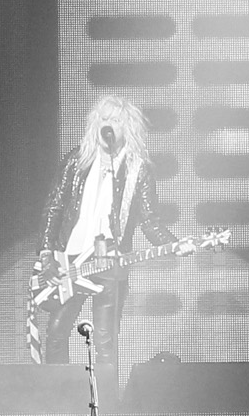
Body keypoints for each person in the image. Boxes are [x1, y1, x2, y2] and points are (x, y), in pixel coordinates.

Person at [27, 97, 189, 365]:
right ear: (95, 124)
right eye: (103, 119)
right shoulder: (77, 161)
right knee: (56, 332)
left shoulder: (138, 170)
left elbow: (150, 220)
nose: (107, 125)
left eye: (114, 120)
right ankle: (59, 390)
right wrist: (46, 255)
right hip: (71, 259)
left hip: (109, 263)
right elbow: (54, 206)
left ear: (127, 127)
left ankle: (107, 392)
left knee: (105, 341)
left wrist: (175, 244)